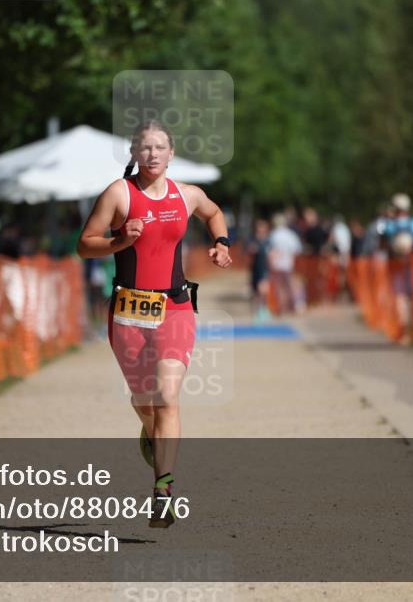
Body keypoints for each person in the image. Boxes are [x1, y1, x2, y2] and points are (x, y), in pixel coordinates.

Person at [76, 119, 231, 528]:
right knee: (143, 401)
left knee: (167, 397)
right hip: (127, 313)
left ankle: (163, 489)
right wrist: (119, 241)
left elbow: (214, 212)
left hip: (175, 308)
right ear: (133, 153)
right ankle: (151, 434)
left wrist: (221, 244)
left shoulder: (187, 195)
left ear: (172, 153)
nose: (153, 155)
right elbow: (84, 245)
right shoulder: (118, 194)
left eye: (160, 147)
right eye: (145, 148)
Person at [383, 193, 413, 342]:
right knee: (411, 298)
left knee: (401, 298)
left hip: (397, 264)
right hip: (412, 264)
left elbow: (386, 241)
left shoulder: (390, 225)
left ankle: (404, 332)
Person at [268, 212, 304, 314]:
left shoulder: (274, 234)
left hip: (277, 264)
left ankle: (282, 307)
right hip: (289, 264)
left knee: (280, 287)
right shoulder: (290, 234)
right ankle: (294, 306)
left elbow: (271, 250)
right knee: (290, 285)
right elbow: (297, 249)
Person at [247, 218, 272, 322]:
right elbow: (248, 250)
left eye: (262, 227)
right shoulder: (253, 240)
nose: (260, 229)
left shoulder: (268, 241)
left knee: (263, 290)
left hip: (265, 269)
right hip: (255, 269)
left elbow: (272, 253)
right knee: (256, 292)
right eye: (259, 227)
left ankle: (264, 310)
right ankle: (257, 312)